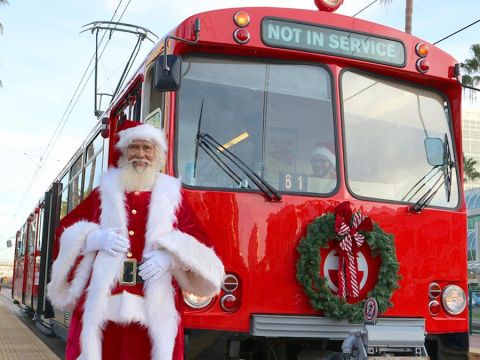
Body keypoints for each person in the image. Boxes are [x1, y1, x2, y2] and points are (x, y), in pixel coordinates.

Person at [47, 120, 225, 360]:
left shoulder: (173, 195)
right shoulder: (104, 192)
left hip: (154, 303)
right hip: (105, 303)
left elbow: (199, 243)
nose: (140, 154)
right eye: (134, 147)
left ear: (157, 154)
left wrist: (169, 259)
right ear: (124, 151)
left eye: (147, 148)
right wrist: (94, 240)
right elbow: (65, 231)